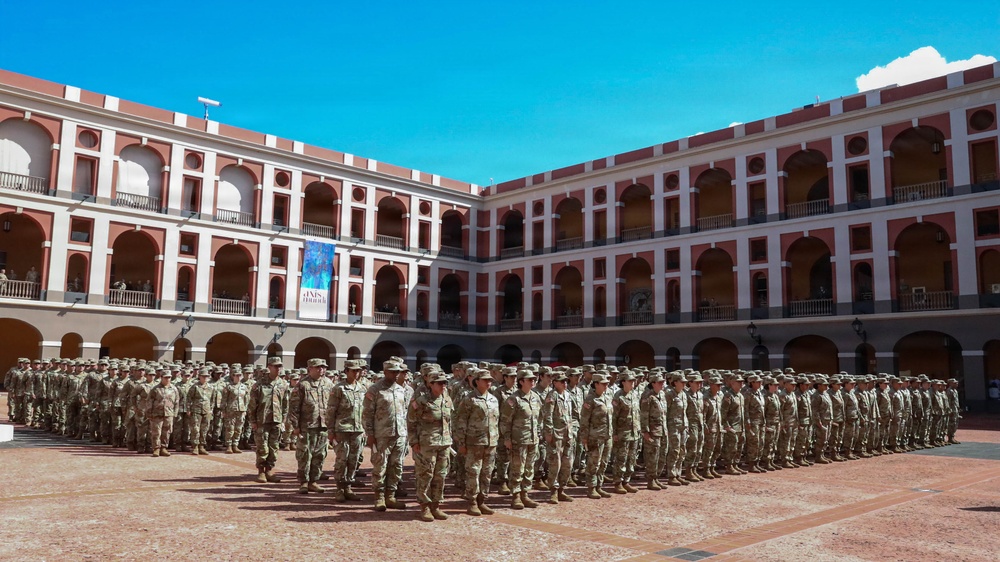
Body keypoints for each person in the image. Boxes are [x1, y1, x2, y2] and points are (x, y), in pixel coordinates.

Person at [362, 360, 409, 510]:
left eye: (398, 372)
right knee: (380, 466)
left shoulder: (401, 390)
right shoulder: (375, 390)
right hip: (381, 434)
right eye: (393, 372)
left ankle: (391, 496)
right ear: (385, 372)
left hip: (399, 434)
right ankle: (379, 497)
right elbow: (367, 414)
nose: (396, 375)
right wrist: (370, 434)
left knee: (396, 466)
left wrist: (406, 434)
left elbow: (405, 413)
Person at [407, 371, 454, 522]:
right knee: (425, 474)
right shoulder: (421, 401)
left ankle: (436, 505)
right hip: (426, 444)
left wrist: (450, 438)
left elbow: (449, 421)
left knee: (440, 475)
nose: (443, 386)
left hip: (444, 443)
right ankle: (424, 506)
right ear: (431, 384)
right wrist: (414, 442)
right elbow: (411, 422)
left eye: (445, 383)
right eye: (439, 383)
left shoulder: (447, 399)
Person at [454, 369, 500, 516]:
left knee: (487, 473)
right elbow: (461, 421)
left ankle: (482, 500)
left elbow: (496, 421)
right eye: (485, 380)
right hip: (474, 442)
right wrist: (461, 442)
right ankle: (472, 501)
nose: (489, 382)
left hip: (491, 442)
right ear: (477, 381)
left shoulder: (493, 399)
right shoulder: (469, 399)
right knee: (473, 472)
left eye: (490, 380)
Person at [289, 358, 334, 494]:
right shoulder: (303, 385)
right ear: (310, 369)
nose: (321, 370)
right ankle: (303, 482)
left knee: (320, 455)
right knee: (304, 455)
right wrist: (296, 426)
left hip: (323, 425)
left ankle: (313, 481)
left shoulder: (328, 384)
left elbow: (332, 406)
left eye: (323, 367)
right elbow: (294, 407)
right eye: (318, 367)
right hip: (306, 426)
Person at [499, 369, 542, 510]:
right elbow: (505, 421)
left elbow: (539, 418)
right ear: (521, 381)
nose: (533, 381)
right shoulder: (513, 399)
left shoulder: (535, 397)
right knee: (517, 468)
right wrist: (507, 438)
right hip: (518, 439)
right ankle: (516, 496)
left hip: (532, 439)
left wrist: (538, 434)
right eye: (530, 379)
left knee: (529, 468)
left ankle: (525, 494)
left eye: (534, 379)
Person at [326, 359, 367, 502]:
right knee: (342, 459)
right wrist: (330, 430)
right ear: (347, 371)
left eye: (358, 371)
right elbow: (331, 411)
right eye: (354, 370)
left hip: (358, 430)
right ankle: (339, 489)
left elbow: (366, 410)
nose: (357, 373)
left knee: (353, 459)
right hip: (342, 429)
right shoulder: (339, 388)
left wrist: (366, 428)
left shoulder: (362, 388)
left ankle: (348, 487)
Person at [247, 357, 289, 483]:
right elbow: (252, 405)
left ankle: (269, 470)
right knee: (262, 447)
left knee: (274, 447)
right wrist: (253, 421)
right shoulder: (259, 384)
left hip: (276, 420)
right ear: (269, 367)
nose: (278, 368)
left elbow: (285, 404)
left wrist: (283, 421)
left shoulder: (283, 384)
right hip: (262, 420)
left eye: (280, 366)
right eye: (275, 366)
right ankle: (261, 471)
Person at [540, 372, 575, 504]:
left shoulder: (567, 395)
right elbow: (547, 416)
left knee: (567, 463)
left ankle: (562, 489)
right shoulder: (552, 395)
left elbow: (570, 415)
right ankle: (553, 491)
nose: (565, 383)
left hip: (568, 434)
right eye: (562, 381)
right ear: (555, 383)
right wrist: (549, 433)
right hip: (556, 434)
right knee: (556, 463)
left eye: (566, 381)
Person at [580, 372, 614, 498]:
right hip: (595, 436)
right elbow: (584, 420)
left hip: (607, 435)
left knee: (604, 463)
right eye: (603, 384)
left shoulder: (607, 397)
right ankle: (591, 487)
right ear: (596, 384)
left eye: (607, 384)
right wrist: (584, 437)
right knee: (594, 463)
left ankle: (599, 486)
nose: (606, 386)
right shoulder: (590, 400)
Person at [640, 372, 668, 489]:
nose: (663, 384)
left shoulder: (661, 394)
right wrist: (645, 431)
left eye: (663, 382)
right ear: (653, 383)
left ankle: (656, 477)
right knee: (652, 456)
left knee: (662, 455)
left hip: (663, 430)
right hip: (653, 431)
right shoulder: (647, 396)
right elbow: (643, 415)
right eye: (660, 382)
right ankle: (651, 480)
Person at [146, 369, 179, 457]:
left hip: (168, 413)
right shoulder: (155, 389)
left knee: (167, 432)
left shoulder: (174, 389)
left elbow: (176, 402)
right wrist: (149, 413)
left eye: (169, 377)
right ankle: (156, 448)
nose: (168, 379)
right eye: (166, 377)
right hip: (156, 413)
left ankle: (163, 448)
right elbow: (149, 401)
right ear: (161, 378)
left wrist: (175, 413)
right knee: (156, 431)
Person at [187, 369, 216, 455]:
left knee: (204, 429)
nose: (205, 378)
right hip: (196, 410)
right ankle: (195, 446)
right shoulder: (195, 386)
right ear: (199, 377)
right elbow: (189, 398)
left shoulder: (211, 387)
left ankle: (201, 446)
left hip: (206, 410)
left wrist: (211, 409)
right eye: (203, 376)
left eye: (207, 376)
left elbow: (212, 400)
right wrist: (188, 409)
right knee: (195, 429)